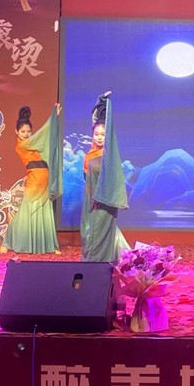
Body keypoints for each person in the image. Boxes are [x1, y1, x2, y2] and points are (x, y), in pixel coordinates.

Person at [1, 104, 63, 254]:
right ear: (16, 132)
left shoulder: (34, 145)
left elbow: (46, 141)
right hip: (34, 183)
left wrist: (54, 120)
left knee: (45, 214)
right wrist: (52, 119)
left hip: (45, 182)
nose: (26, 134)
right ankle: (8, 241)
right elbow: (42, 135)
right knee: (25, 215)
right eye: (23, 131)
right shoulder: (22, 146)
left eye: (29, 131)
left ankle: (48, 245)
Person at [81, 92, 130, 262]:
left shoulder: (108, 156)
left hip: (103, 201)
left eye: (103, 134)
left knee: (98, 234)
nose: (99, 137)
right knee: (88, 233)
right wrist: (101, 101)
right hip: (89, 199)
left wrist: (99, 196)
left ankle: (98, 264)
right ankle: (94, 261)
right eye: (96, 134)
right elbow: (95, 119)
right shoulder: (91, 153)